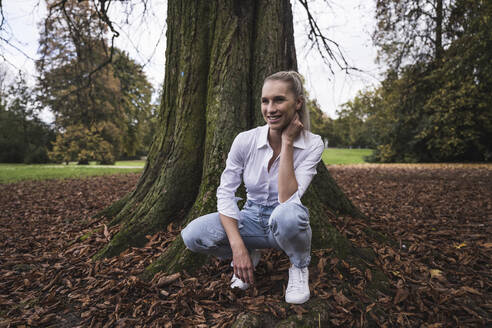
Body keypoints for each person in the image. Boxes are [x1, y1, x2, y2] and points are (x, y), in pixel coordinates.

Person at [181, 71, 324, 304]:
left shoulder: (312, 144)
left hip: (284, 222)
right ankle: (250, 251)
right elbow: (225, 192)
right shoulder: (245, 140)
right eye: (265, 101)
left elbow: (287, 198)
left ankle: (298, 267)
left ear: (297, 103)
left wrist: (288, 143)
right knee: (192, 236)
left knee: (288, 214)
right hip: (250, 217)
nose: (270, 108)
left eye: (279, 100)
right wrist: (238, 247)